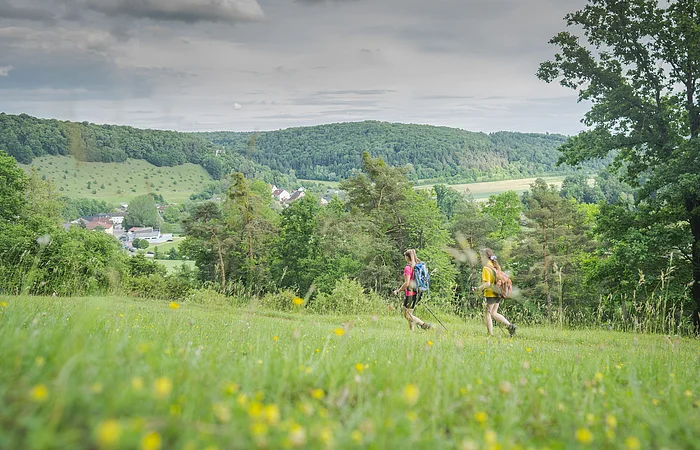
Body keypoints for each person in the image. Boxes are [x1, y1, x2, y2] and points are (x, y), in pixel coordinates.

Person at [476, 248, 516, 337]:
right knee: (494, 313)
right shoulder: (494, 266)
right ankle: (510, 326)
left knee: (488, 314)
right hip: (498, 293)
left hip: (491, 293)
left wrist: (478, 289)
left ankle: (490, 334)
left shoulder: (486, 268)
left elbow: (487, 283)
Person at [393, 249, 432, 331]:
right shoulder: (417, 266)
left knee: (407, 315)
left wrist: (398, 291)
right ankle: (412, 332)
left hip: (411, 294)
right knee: (409, 314)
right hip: (417, 292)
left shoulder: (408, 268)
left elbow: (407, 283)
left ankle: (423, 325)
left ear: (407, 257)